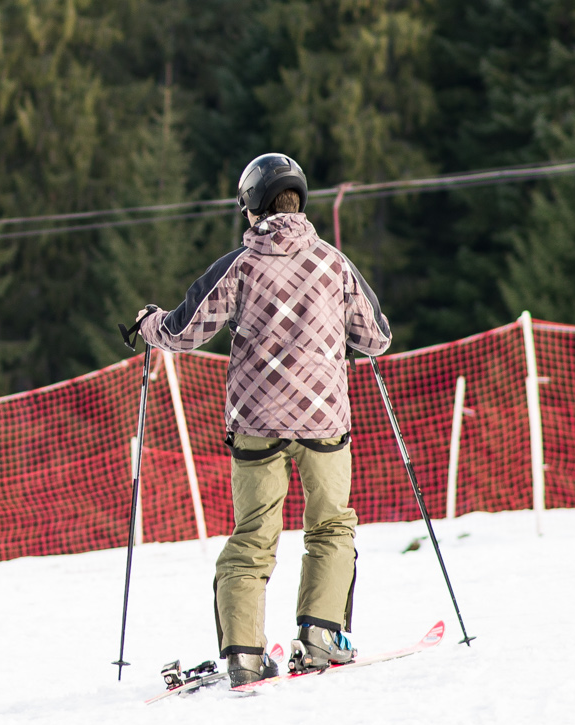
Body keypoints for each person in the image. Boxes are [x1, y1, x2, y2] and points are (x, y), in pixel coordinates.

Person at [133, 153, 392, 687]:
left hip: (257, 425)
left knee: (252, 537)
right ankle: (320, 636)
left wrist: (147, 323)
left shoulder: (239, 266)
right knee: (331, 526)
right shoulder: (335, 264)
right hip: (324, 423)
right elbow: (377, 338)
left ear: (251, 206)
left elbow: (182, 332)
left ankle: (244, 656)